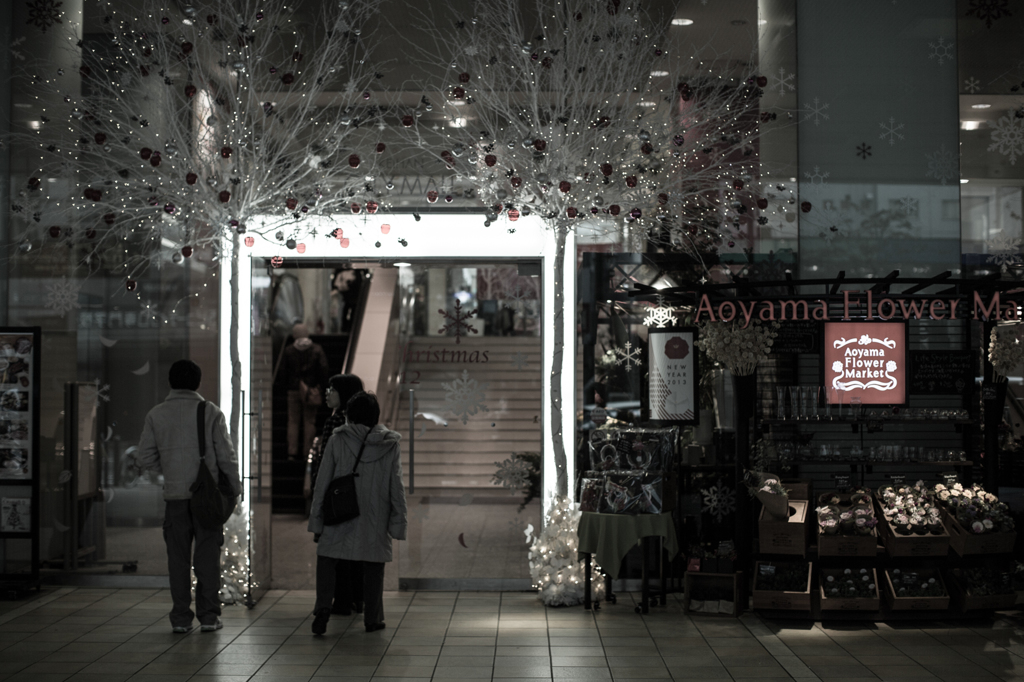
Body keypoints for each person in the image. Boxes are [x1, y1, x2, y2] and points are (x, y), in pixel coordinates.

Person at [137, 360, 241, 634]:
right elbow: (226, 456)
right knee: (207, 558)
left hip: (175, 498)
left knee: (178, 560)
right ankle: (208, 616)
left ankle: (181, 618)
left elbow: (144, 457)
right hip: (206, 499)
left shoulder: (156, 414)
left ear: (171, 382)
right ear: (197, 382)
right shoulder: (210, 412)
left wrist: (169, 468)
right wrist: (235, 486)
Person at [308, 391, 406, 635]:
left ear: (349, 414)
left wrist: (317, 518)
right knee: (373, 565)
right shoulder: (389, 444)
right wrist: (398, 522)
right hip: (376, 513)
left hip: (340, 509)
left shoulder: (337, 439)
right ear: (375, 416)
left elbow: (323, 481)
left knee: (328, 558)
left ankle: (322, 608)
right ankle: (372, 619)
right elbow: (396, 485)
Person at [309, 373, 366, 615]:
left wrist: (318, 494)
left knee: (336, 550)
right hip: (357, 491)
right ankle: (357, 599)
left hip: (336, 492)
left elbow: (325, 463)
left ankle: (341, 600)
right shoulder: (362, 421)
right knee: (355, 550)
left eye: (332, 389)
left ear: (343, 394)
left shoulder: (335, 423)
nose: (327, 393)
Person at [280, 323, 329, 460]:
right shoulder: (317, 349)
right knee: (309, 421)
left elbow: (283, 372)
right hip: (311, 391)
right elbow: (324, 370)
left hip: (294, 389)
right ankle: (308, 451)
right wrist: (321, 387)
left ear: (295, 335)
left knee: (293, 421)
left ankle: (292, 452)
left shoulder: (289, 350)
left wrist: (287, 386)